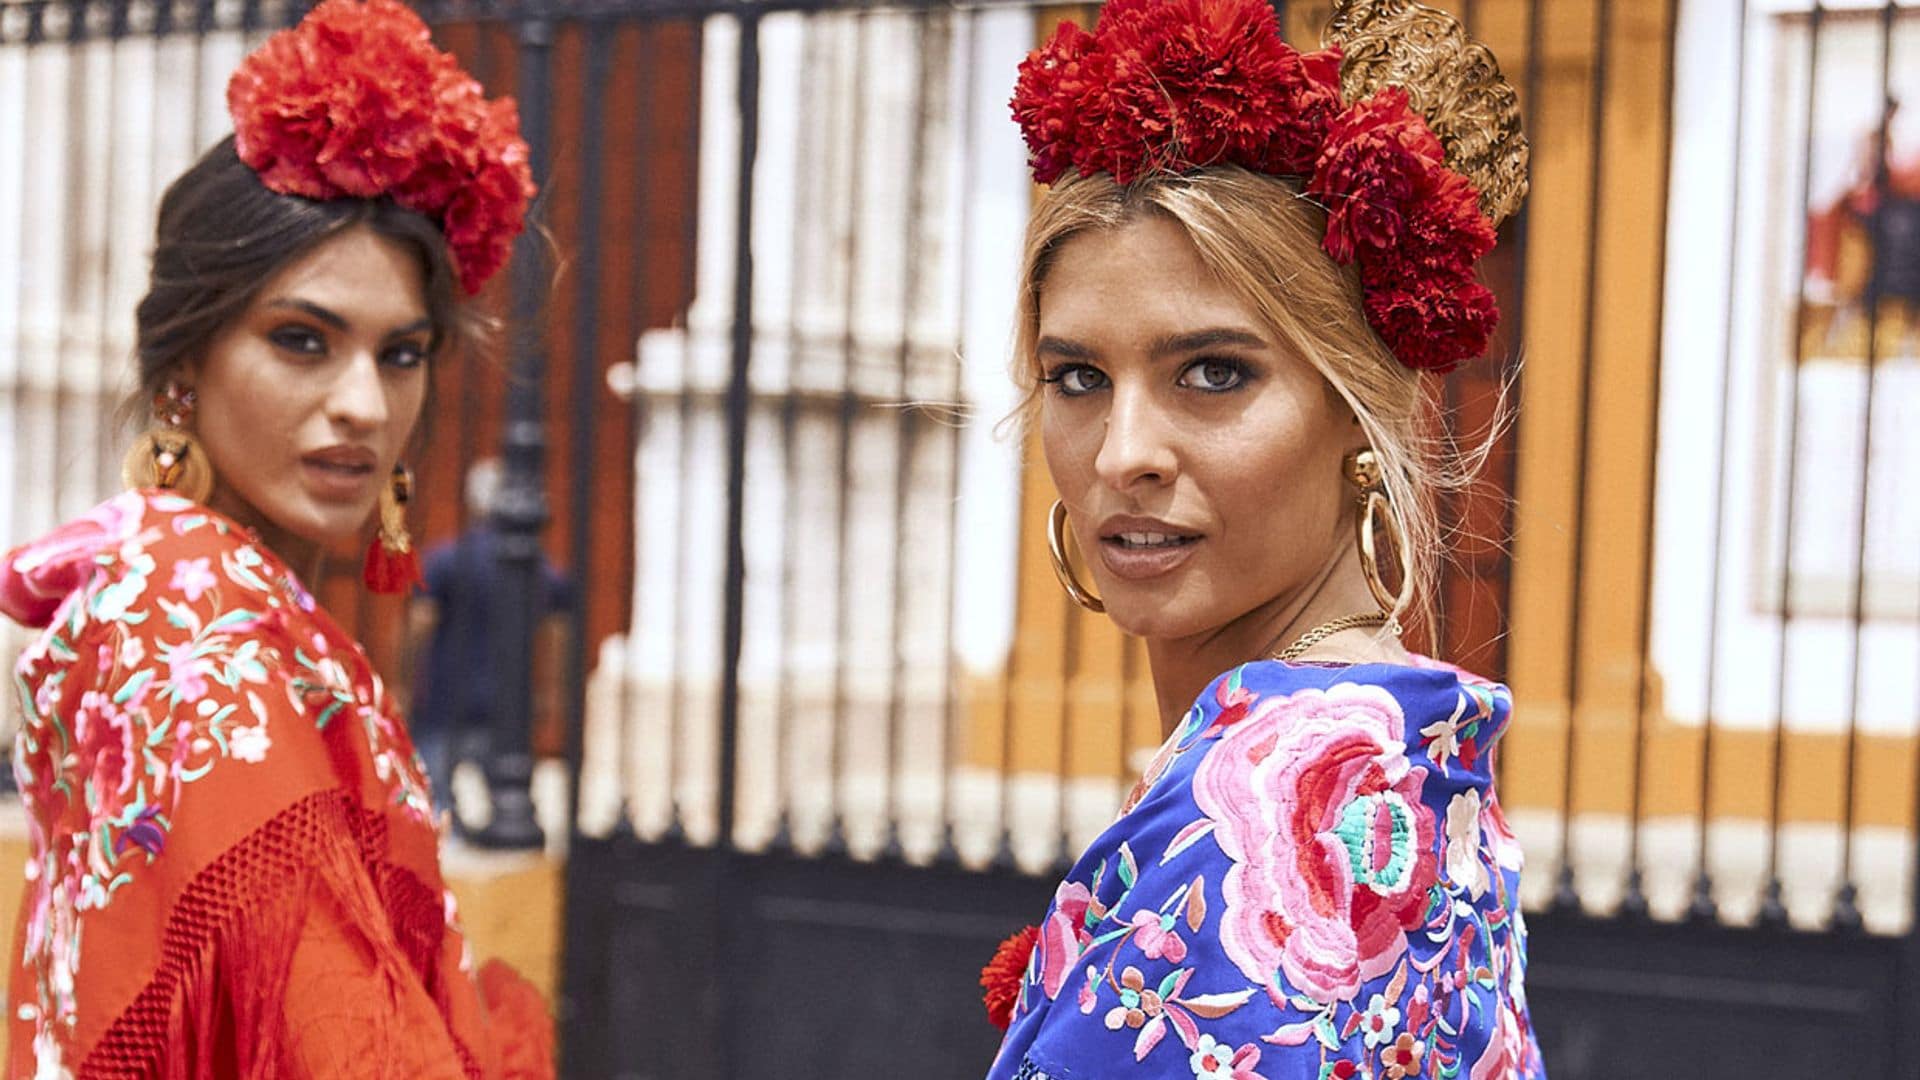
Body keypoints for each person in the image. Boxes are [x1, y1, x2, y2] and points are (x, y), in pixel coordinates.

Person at [980, 0, 1544, 1077]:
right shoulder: (1407, 757)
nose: (1120, 454)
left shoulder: (1260, 818)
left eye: (1213, 373)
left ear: (1362, 411)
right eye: (1078, 378)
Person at [0, 0, 552, 1074]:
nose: (363, 404)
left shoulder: (151, 577)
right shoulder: (188, 609)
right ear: (181, 372)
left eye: (402, 353)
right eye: (303, 341)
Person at [408, 459, 574, 831]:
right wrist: (551, 691)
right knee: (508, 800)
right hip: (507, 699)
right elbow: (558, 633)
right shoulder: (538, 567)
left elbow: (419, 625)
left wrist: (401, 678)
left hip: (443, 695)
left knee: (433, 797)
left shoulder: (448, 558)